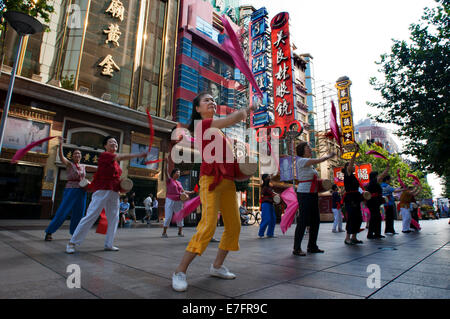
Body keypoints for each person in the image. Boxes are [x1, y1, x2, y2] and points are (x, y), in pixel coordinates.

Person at [172, 92, 256, 292]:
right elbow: (232, 118)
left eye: (213, 100)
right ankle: (179, 271)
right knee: (208, 225)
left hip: (227, 183)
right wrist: (249, 109)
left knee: (234, 226)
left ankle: (216, 266)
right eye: (206, 100)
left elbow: (229, 160)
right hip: (210, 180)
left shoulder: (219, 132)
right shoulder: (203, 126)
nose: (212, 102)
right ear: (197, 109)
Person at [65, 136, 147, 254]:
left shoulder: (116, 164)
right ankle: (72, 243)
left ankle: (109, 244)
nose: (114, 143)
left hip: (114, 191)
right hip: (102, 189)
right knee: (91, 215)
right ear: (105, 146)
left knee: (114, 218)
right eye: (111, 142)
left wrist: (122, 188)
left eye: (115, 142)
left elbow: (117, 179)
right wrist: (137, 155)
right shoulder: (105, 155)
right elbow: (120, 157)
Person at [44, 137, 95, 241]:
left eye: (79, 154)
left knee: (79, 214)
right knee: (63, 211)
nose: (77, 155)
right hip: (71, 190)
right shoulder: (69, 164)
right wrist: (61, 144)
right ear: (72, 156)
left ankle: (74, 234)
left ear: (81, 156)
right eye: (75, 153)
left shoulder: (84, 166)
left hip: (82, 191)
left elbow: (98, 169)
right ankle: (49, 232)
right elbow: (61, 156)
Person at [293, 142, 336, 256]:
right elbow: (318, 160)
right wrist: (328, 156)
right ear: (302, 150)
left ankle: (312, 246)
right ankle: (296, 248)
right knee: (303, 220)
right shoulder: (301, 160)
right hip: (304, 193)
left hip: (312, 193)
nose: (310, 149)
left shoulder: (309, 164)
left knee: (315, 220)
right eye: (308, 147)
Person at [162, 168, 195, 238]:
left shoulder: (179, 183)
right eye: (177, 172)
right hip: (170, 200)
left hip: (178, 201)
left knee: (180, 216)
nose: (179, 174)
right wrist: (167, 164)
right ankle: (164, 233)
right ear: (173, 173)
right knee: (168, 217)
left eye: (179, 173)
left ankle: (180, 232)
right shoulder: (169, 180)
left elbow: (183, 191)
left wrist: (191, 192)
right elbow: (165, 172)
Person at [342, 143, 364, 245]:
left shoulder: (354, 177)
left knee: (358, 217)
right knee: (351, 217)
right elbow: (351, 164)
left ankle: (354, 237)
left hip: (356, 198)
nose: (353, 166)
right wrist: (355, 152)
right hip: (350, 199)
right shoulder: (348, 174)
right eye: (351, 165)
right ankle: (347, 238)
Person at [366, 164, 390, 239]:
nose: (378, 177)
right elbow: (382, 175)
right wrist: (387, 168)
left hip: (375, 202)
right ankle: (370, 234)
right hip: (373, 202)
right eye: (377, 176)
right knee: (374, 217)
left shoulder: (373, 183)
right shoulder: (372, 182)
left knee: (377, 217)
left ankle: (377, 233)